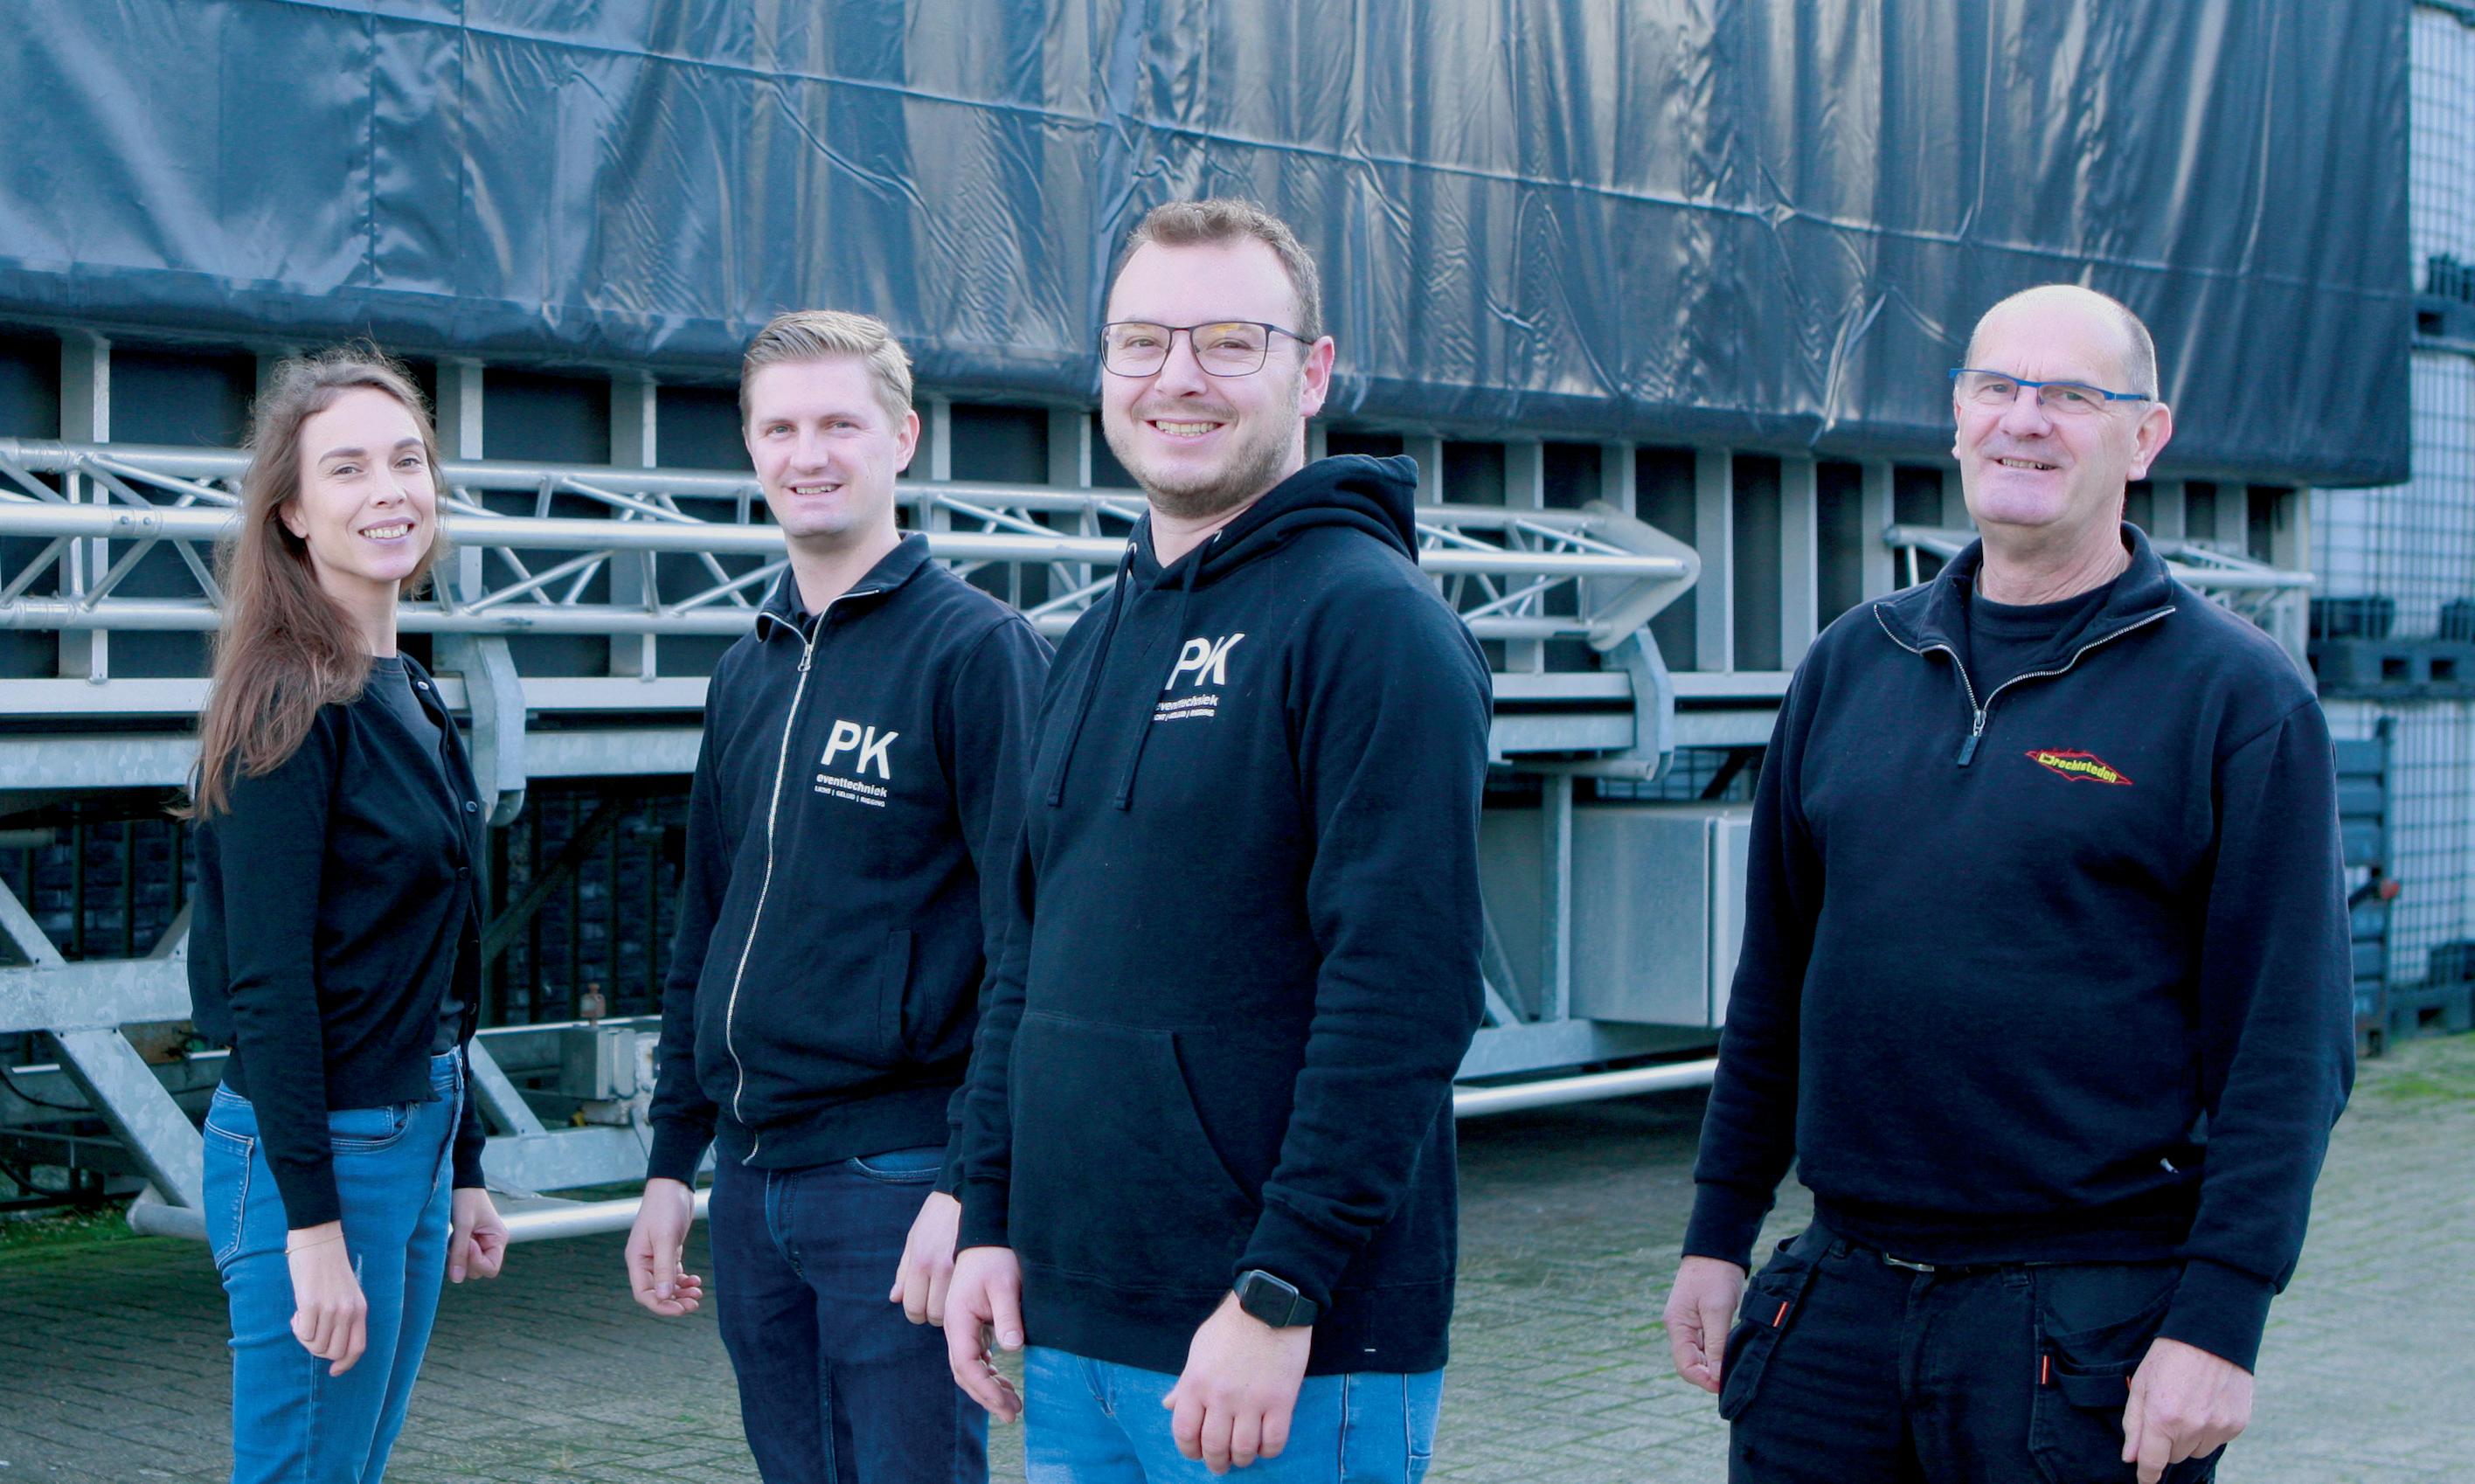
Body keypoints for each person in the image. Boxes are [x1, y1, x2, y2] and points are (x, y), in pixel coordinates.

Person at [1662, 284, 2355, 1484]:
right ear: (1958, 417)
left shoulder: (2237, 699)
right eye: (1997, 386)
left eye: (2072, 395)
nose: (2023, 419)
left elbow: (2288, 1048)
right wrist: (1718, 1231)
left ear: (2145, 437)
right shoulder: (1851, 664)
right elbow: (1774, 982)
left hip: (2079, 1332)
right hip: (1836, 1309)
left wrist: (2221, 1320)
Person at [941, 198, 1492, 1481]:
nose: (1176, 377)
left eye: (1229, 342)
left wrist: (1282, 1287)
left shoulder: (1373, 626)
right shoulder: (1093, 637)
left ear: (1314, 372)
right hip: (1074, 1330)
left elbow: (1405, 991)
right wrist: (985, 1211)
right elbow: (1026, 963)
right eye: (1141, 342)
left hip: (1281, 1349)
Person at [627, 309, 1048, 1483]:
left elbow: (1031, 944)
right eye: (780, 429)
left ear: (902, 439)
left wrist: (971, 1188)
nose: (807, 454)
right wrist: (670, 1164)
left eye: (839, 425)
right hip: (751, 1181)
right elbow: (705, 926)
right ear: (751, 447)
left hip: (896, 1180)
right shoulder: (745, 667)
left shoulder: (978, 653)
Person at [187, 348, 509, 1484]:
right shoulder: (287, 701)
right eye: (347, 468)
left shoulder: (408, 689)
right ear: (291, 512)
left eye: (407, 460)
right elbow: (267, 984)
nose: (389, 491)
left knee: (347, 1467)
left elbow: (436, 959)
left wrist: (464, 1162)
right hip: (321, 1155)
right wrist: (311, 1226)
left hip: (411, 1132)